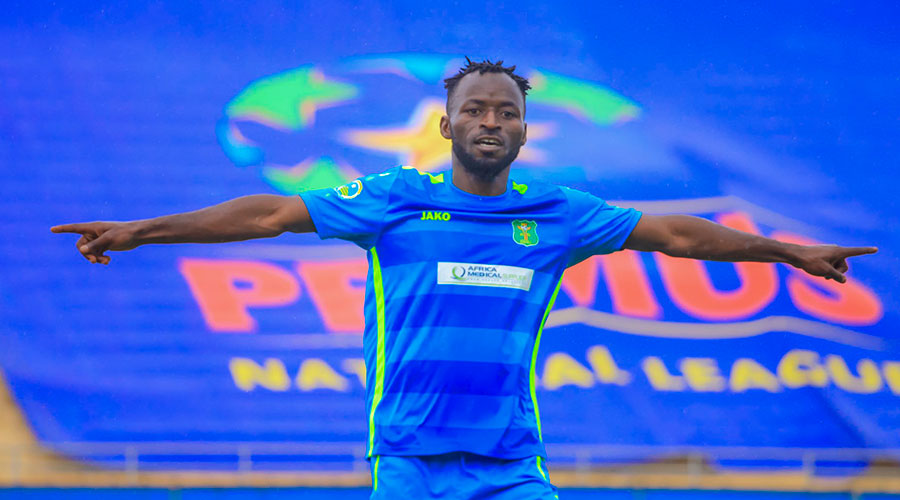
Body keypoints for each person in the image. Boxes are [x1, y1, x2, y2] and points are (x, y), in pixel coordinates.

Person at [52, 59, 877, 499]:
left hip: (510, 460)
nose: (491, 120)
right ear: (446, 126)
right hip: (410, 456)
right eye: (477, 109)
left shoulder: (559, 213)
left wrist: (787, 252)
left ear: (523, 131)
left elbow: (678, 235)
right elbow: (268, 215)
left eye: (506, 112)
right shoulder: (392, 200)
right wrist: (141, 231)